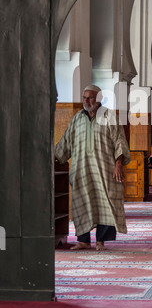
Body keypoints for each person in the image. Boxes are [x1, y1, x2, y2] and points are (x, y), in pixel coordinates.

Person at [55, 85, 131, 250]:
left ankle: (100, 241)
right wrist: (53, 156)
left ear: (99, 99)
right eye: (84, 97)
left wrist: (118, 164)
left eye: (90, 97)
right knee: (82, 202)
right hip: (82, 169)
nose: (86, 101)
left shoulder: (109, 116)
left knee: (106, 201)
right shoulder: (77, 118)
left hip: (105, 169)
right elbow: (66, 142)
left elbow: (119, 141)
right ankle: (83, 240)